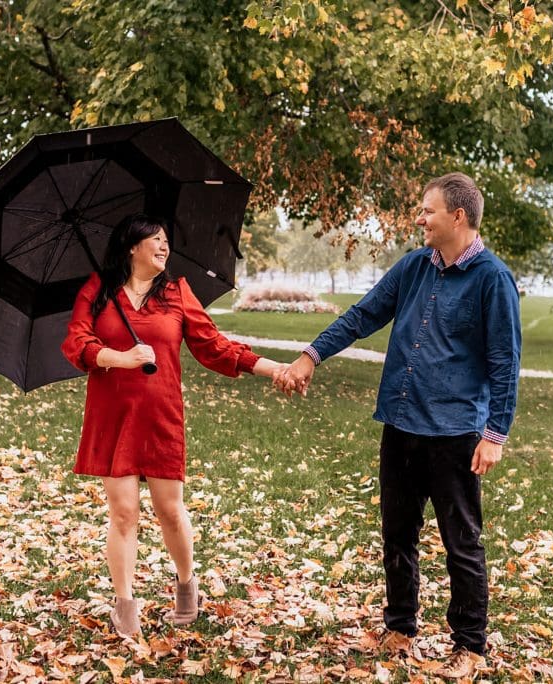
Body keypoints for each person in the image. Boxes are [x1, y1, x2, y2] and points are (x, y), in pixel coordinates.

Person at [276, 173, 521, 666]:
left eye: (427, 211)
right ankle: (400, 629)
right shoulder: (413, 267)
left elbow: (504, 361)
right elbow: (362, 315)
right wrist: (311, 355)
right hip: (402, 424)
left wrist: (494, 434)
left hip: (455, 433)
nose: (419, 219)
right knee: (398, 536)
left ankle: (470, 645)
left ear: (458, 216)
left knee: (461, 544)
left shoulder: (492, 279)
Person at [61, 213, 286, 638]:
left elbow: (213, 346)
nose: (164, 247)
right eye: (156, 240)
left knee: (170, 511)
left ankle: (186, 586)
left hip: (161, 414)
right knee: (124, 513)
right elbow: (77, 340)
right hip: (112, 415)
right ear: (132, 247)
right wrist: (118, 357)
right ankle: (125, 607)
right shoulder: (97, 290)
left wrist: (270, 368)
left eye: (166, 241)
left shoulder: (177, 292)